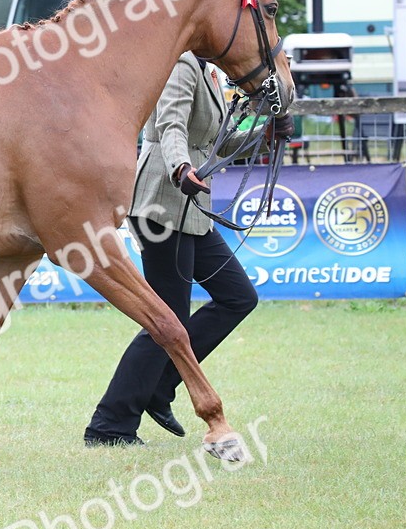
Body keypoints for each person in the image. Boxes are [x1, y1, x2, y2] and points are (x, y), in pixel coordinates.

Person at [84, 52, 270, 447]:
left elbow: (215, 141)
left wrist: (265, 129)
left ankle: (160, 385)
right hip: (162, 202)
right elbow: (171, 127)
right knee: (164, 318)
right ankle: (109, 425)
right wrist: (181, 168)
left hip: (192, 208)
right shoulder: (181, 65)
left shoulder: (210, 72)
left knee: (238, 297)